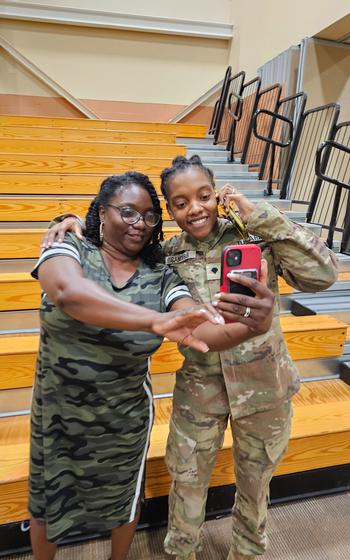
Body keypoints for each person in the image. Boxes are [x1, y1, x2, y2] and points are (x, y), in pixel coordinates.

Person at [43, 156, 338, 560]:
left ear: (217, 193)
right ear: (170, 210)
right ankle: (183, 553)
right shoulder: (166, 254)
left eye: (203, 196)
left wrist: (263, 216)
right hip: (200, 386)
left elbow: (323, 276)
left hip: (265, 384)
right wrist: (71, 218)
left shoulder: (255, 236)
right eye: (180, 203)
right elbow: (114, 245)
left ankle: (247, 553)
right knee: (187, 481)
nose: (194, 208)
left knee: (255, 484)